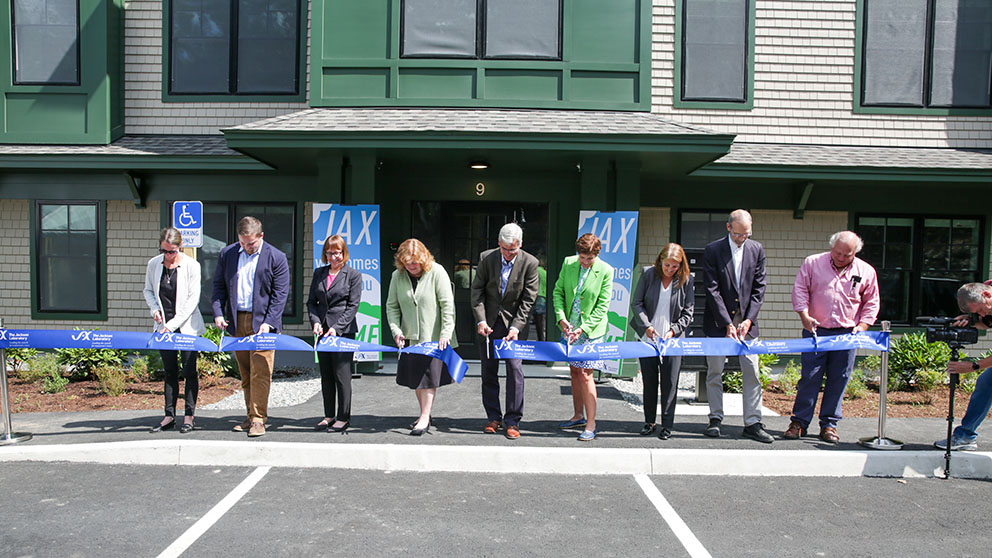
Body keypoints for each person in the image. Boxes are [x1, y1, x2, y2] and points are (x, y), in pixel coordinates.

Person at [785, 231, 879, 443]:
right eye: (838, 252)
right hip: (816, 331)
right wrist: (804, 316)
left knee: (839, 379)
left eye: (847, 254)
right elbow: (800, 289)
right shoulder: (812, 263)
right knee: (810, 377)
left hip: (847, 333)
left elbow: (871, 301)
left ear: (855, 252)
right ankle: (799, 422)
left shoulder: (866, 271)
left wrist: (863, 326)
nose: (841, 257)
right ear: (831, 247)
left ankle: (829, 424)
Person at [211, 216, 290, 438]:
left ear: (261, 236)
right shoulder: (228, 254)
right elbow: (218, 286)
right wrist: (218, 313)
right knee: (245, 373)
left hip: (263, 324)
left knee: (261, 372)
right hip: (237, 322)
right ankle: (249, 415)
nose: (247, 247)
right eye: (243, 243)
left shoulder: (277, 257)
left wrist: (269, 323)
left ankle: (258, 419)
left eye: (251, 244)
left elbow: (280, 295)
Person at [701, 209, 774, 443]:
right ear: (728, 227)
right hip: (717, 324)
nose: (742, 238)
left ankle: (753, 422)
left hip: (747, 326)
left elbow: (759, 288)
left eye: (747, 234)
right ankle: (715, 418)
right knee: (714, 372)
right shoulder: (713, 250)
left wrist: (748, 319)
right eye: (739, 234)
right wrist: (726, 323)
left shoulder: (757, 249)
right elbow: (711, 290)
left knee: (752, 372)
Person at [471, 223, 540, 439]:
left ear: (520, 245)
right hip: (489, 324)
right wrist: (481, 321)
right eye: (505, 249)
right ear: (499, 243)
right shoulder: (486, 258)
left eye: (513, 250)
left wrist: (516, 327)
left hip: (514, 325)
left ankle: (512, 421)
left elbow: (529, 299)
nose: (508, 254)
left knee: (514, 371)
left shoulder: (530, 262)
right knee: (488, 371)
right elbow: (477, 292)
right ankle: (493, 417)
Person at [386, 238, 458, 436]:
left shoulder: (437, 272)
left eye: (415, 262)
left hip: (433, 337)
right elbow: (392, 306)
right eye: (407, 262)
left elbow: (447, 306)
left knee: (428, 379)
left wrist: (446, 334)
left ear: (423, 258)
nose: (411, 265)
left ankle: (425, 417)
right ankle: (424, 413)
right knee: (417, 379)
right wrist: (396, 331)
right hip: (410, 337)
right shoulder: (397, 276)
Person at [143, 227, 206, 434]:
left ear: (180, 248)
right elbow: (148, 290)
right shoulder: (154, 264)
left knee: (189, 371)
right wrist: (154, 310)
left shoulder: (192, 266)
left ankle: (189, 415)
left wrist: (171, 326)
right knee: (169, 371)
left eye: (172, 251)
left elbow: (191, 301)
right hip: (163, 328)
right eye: (164, 251)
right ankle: (169, 415)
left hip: (186, 328)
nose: (168, 256)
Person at [553, 233, 614, 442]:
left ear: (596, 255)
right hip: (568, 328)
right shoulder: (568, 263)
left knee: (586, 374)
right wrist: (561, 318)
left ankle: (591, 423)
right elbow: (558, 293)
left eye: (589, 259)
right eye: (582, 257)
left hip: (591, 331)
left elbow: (602, 307)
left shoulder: (606, 271)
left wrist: (584, 328)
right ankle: (578, 416)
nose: (585, 262)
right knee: (574, 371)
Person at [630, 243, 694, 440]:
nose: (670, 270)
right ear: (660, 261)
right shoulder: (649, 274)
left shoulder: (687, 280)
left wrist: (674, 331)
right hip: (648, 336)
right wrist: (646, 326)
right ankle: (649, 421)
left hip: (672, 339)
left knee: (670, 383)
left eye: (674, 266)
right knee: (650, 382)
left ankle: (667, 425)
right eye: (667, 265)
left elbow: (688, 311)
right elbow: (637, 303)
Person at [307, 234, 362, 433]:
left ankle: (343, 417)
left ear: (344, 253)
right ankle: (328, 415)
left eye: (337, 253)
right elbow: (312, 302)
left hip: (343, 332)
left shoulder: (353, 275)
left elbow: (353, 306)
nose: (334, 257)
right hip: (322, 332)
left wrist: (336, 328)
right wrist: (315, 322)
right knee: (326, 376)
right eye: (330, 253)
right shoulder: (319, 273)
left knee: (342, 376)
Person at [935, 282, 992, 451]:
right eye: (977, 312)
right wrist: (972, 321)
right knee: (986, 383)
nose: (983, 314)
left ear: (987, 295)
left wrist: (974, 366)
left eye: (981, 310)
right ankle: (965, 436)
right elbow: (988, 322)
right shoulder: (986, 295)